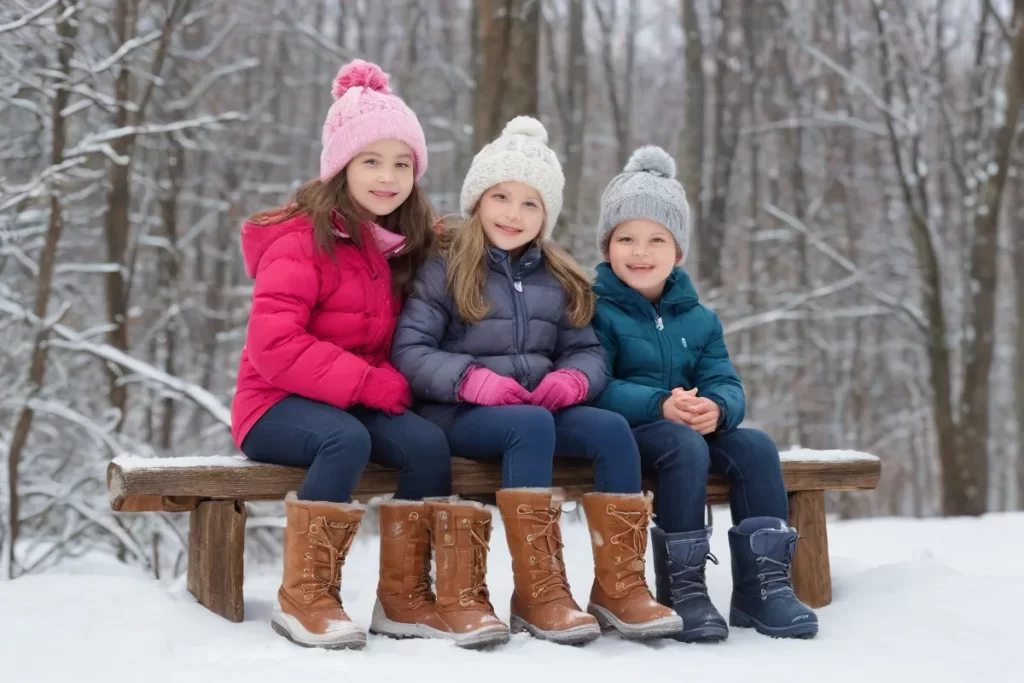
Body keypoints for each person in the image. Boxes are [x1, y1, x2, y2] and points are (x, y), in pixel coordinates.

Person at [231, 60, 507, 651]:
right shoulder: (301, 242)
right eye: (371, 161)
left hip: (351, 398)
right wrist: (365, 383)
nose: (388, 177)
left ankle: (404, 598)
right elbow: (273, 347)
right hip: (274, 403)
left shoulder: (402, 243)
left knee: (426, 444)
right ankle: (306, 597)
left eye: (402, 163)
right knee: (345, 441)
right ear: (341, 167)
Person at [392, 117, 682, 646]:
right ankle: (539, 592)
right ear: (478, 199)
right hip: (457, 410)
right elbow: (410, 350)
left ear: (546, 214)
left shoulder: (559, 274)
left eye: (531, 203)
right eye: (501, 196)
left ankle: (620, 586)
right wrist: (469, 380)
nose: (514, 213)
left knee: (611, 429)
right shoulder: (446, 266)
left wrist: (573, 379)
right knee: (528, 426)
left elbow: (586, 349)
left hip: (538, 409)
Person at [590, 144, 819, 641]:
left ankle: (764, 588)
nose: (640, 251)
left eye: (656, 239)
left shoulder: (700, 318)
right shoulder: (595, 311)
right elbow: (594, 385)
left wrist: (717, 408)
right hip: (634, 432)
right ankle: (684, 589)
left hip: (693, 423)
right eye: (625, 238)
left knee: (756, 445)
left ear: (679, 252)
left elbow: (725, 380)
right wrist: (659, 405)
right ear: (607, 246)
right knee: (683, 445)